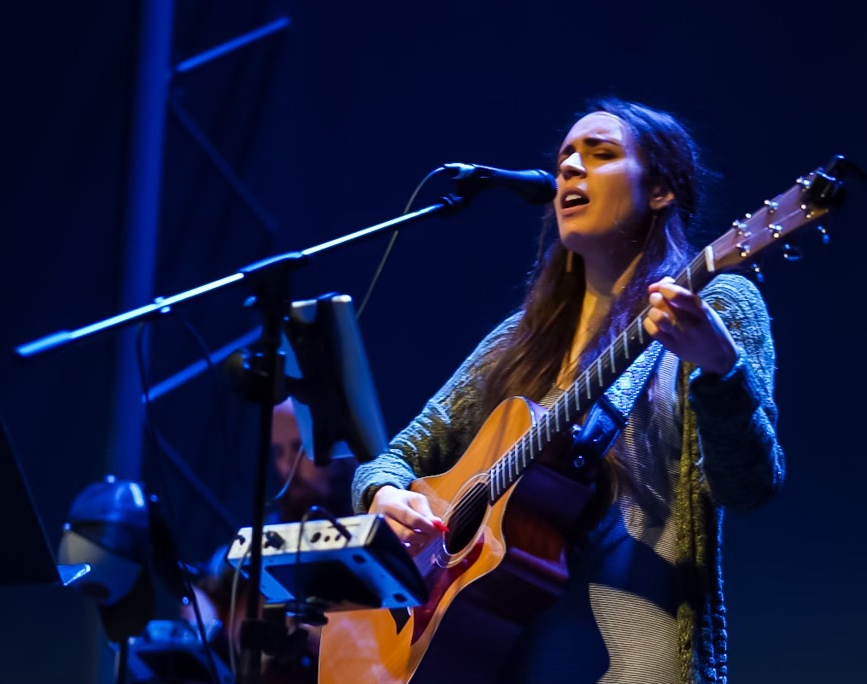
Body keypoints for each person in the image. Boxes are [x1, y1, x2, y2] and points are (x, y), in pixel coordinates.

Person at [348, 97, 784, 683]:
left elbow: (751, 485)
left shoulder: (716, 306)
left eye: (600, 153)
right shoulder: (517, 339)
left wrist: (720, 372)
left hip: (641, 663)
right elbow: (394, 459)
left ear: (661, 190)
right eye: (564, 160)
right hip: (497, 659)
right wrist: (381, 496)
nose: (571, 169)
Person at [186, 396, 357, 683]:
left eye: (298, 449)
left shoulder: (368, 524)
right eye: (278, 452)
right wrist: (207, 632)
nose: (287, 465)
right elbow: (203, 588)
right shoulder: (273, 529)